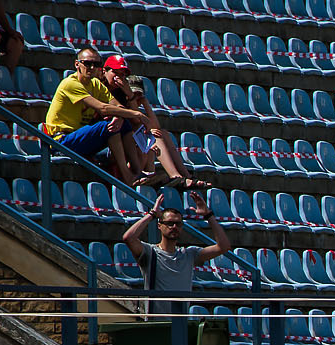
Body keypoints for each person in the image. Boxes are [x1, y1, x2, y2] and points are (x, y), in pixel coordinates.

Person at [119, 195, 234, 323]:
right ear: (159, 226)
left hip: (181, 323)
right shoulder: (150, 252)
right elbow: (128, 238)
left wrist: (208, 215)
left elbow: (223, 247)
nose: (174, 227)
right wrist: (152, 214)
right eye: (169, 223)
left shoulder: (189, 254)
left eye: (178, 224)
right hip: (156, 323)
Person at [44, 45, 142, 177]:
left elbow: (118, 106)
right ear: (77, 64)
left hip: (80, 138)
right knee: (109, 127)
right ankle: (127, 176)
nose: (92, 68)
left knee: (123, 125)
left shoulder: (96, 84)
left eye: (96, 64)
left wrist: (119, 116)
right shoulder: (70, 83)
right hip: (61, 141)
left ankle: (137, 172)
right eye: (88, 63)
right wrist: (136, 113)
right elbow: (103, 108)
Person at [99, 57, 191, 189]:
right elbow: (134, 120)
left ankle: (181, 177)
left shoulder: (122, 92)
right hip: (108, 141)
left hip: (124, 139)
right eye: (116, 72)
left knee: (156, 136)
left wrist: (136, 98)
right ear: (104, 71)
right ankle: (145, 178)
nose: (118, 77)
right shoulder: (98, 87)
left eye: (122, 75)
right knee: (148, 142)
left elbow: (143, 122)